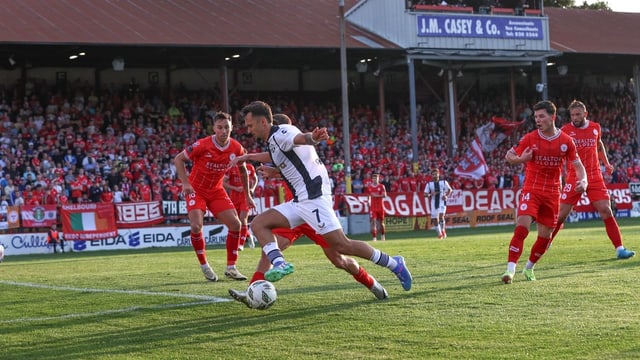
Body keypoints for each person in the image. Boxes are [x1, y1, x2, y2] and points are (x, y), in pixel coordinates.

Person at [233, 101, 412, 292]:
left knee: (342, 246)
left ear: (263, 122)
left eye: (250, 125)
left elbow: (300, 138)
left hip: (313, 199)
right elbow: (277, 154)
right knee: (259, 223)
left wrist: (313, 138)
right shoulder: (275, 141)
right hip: (300, 201)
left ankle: (394, 264)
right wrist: (252, 159)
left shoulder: (282, 133)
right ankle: (280, 263)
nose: (248, 130)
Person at [501, 100, 588, 284]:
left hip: (552, 193)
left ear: (552, 117)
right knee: (522, 227)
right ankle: (510, 270)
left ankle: (529, 268)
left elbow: (578, 165)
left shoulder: (566, 141)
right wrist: (520, 159)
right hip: (532, 189)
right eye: (536, 117)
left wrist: (584, 180)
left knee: (544, 239)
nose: (538, 120)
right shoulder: (530, 138)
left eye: (541, 116)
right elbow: (509, 155)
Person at [174, 111, 255, 282]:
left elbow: (244, 172)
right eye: (220, 127)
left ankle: (231, 268)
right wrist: (186, 183)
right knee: (196, 226)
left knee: (236, 224)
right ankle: (204, 265)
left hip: (216, 190)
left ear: (231, 128)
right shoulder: (202, 145)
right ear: (214, 128)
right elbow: (178, 159)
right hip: (197, 189)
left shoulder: (236, 147)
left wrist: (248, 195)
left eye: (227, 127)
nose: (224, 131)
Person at [551, 100, 635, 259]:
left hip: (595, 176)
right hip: (574, 177)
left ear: (585, 114)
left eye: (578, 114)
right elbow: (558, 151)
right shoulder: (565, 130)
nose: (575, 118)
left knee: (606, 210)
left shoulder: (595, 128)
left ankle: (620, 249)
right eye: (572, 115)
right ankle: (546, 241)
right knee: (561, 215)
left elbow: (599, 144)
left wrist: (607, 163)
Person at [223, 151, 258, 251]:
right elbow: (223, 183)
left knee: (243, 220)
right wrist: (235, 188)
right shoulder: (231, 168)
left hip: (245, 197)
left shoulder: (250, 167)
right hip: (234, 197)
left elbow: (255, 179)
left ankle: (240, 244)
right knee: (236, 221)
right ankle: (248, 235)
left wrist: (252, 189)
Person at [423, 168, 452, 239]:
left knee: (441, 216)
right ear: (431, 176)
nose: (434, 176)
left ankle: (443, 231)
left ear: (438, 174)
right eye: (433, 174)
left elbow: (450, 190)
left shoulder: (444, 182)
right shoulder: (429, 184)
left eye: (435, 174)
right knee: (435, 220)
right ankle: (439, 234)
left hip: (442, 202)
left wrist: (446, 196)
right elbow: (425, 194)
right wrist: (431, 194)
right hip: (434, 203)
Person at [368, 173, 387, 242]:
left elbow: (384, 195)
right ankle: (374, 238)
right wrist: (369, 200)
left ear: (378, 179)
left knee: (381, 222)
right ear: (372, 179)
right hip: (373, 207)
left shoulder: (382, 186)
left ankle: (382, 235)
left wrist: (376, 195)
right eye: (374, 178)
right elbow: (370, 195)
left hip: (380, 206)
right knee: (374, 222)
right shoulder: (370, 187)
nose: (375, 180)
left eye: (376, 178)